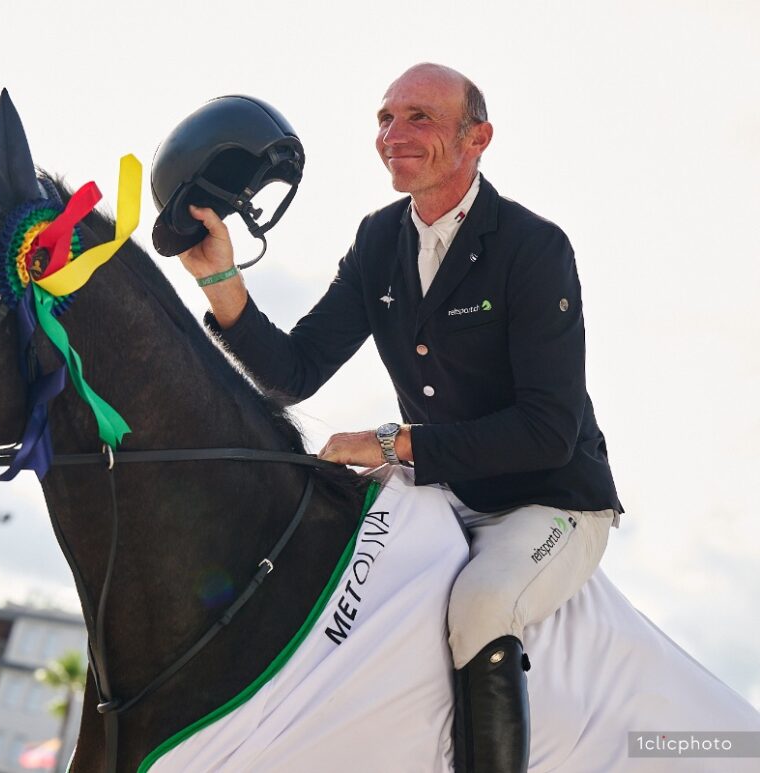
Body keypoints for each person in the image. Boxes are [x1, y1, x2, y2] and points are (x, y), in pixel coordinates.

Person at [175, 63, 622, 773]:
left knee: (481, 604)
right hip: (445, 489)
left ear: (478, 138)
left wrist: (393, 441)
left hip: (552, 500)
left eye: (419, 116)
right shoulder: (378, 240)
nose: (394, 134)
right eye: (385, 117)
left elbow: (548, 430)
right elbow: (294, 373)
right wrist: (219, 278)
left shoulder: (536, 248)